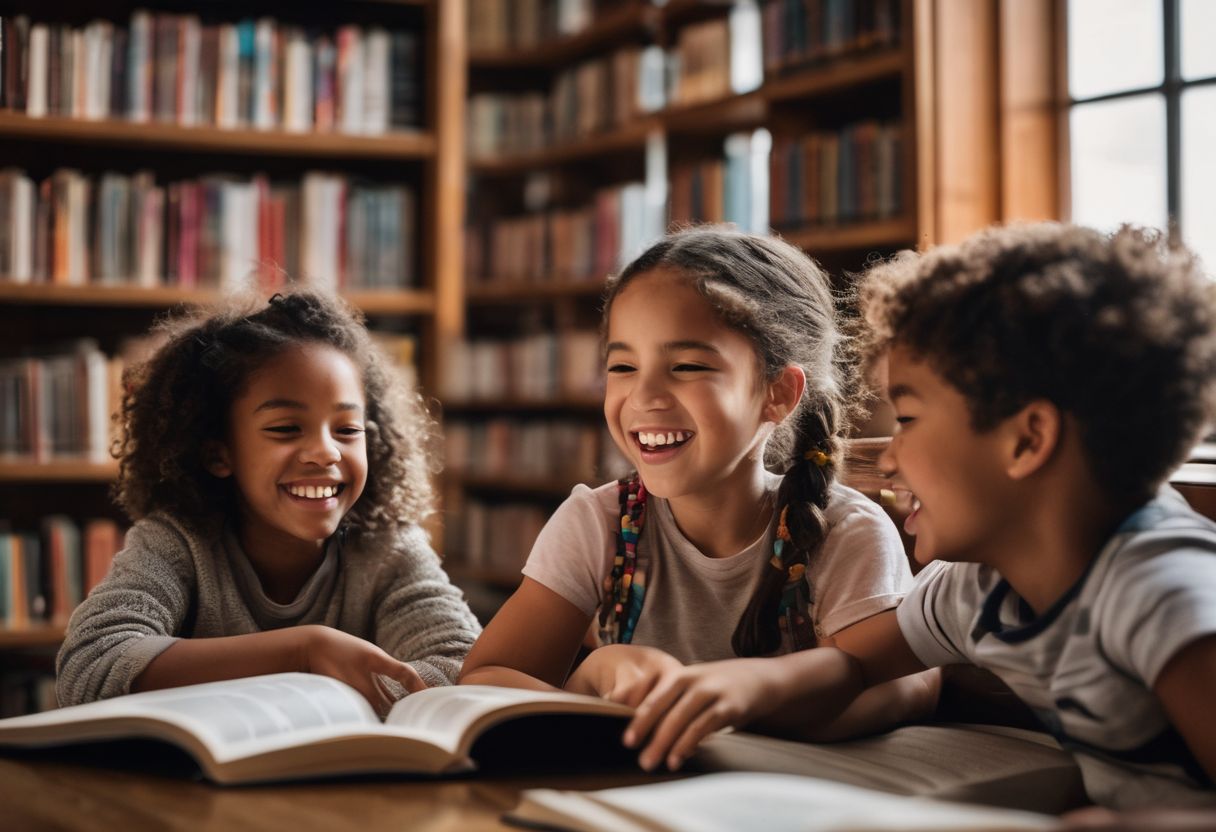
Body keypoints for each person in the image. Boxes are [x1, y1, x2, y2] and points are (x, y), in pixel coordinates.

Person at [624, 222, 1216, 813]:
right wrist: (746, 685)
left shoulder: (1164, 593)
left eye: (906, 419)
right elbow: (857, 663)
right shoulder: (977, 584)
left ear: (1026, 440)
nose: (886, 457)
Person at [459, 226, 938, 771]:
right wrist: (594, 676)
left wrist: (752, 702)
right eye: (622, 367)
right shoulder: (598, 523)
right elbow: (483, 678)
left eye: (687, 366)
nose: (643, 396)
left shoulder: (845, 531)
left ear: (778, 393)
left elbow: (911, 685)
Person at [57, 290, 481, 713]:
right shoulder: (176, 543)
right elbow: (91, 667)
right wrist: (302, 651)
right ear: (219, 453)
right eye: (285, 428)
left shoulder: (389, 550)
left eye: (348, 430)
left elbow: (462, 667)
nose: (326, 452)